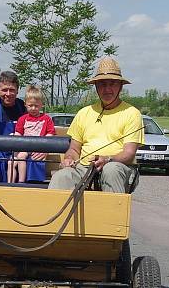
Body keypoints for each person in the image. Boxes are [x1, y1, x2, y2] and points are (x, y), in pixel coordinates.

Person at [48, 57, 144, 193]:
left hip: (118, 167)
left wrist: (108, 159)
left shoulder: (132, 113)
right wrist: (68, 159)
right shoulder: (83, 113)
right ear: (96, 87)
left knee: (111, 170)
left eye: (112, 84)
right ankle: (54, 212)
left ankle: (112, 213)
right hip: (84, 167)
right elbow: (74, 149)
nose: (107, 89)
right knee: (61, 176)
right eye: (102, 84)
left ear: (121, 87)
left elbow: (128, 153)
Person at [8, 85, 55, 183]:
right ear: (25, 104)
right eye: (30, 105)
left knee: (21, 157)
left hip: (38, 147)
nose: (33, 108)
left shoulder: (46, 119)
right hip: (24, 145)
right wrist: (14, 138)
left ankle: (22, 182)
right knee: (10, 162)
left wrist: (44, 145)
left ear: (42, 105)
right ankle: (9, 183)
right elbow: (18, 133)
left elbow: (50, 134)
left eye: (36, 106)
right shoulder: (22, 119)